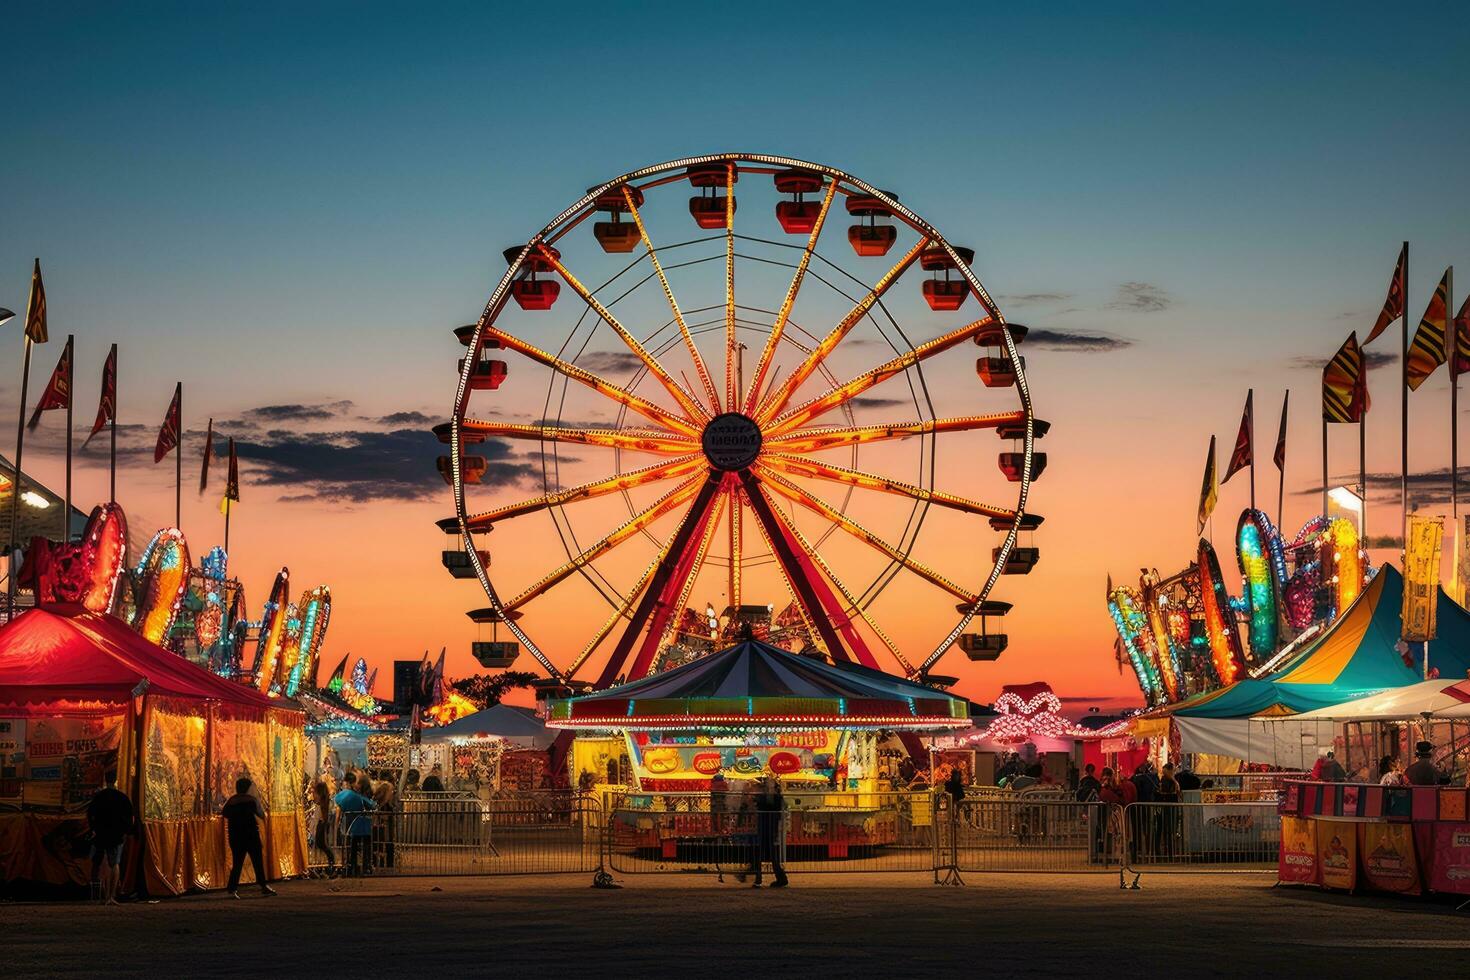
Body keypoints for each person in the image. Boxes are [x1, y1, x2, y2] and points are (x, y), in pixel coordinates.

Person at [222, 777, 277, 898]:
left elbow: (224, 813)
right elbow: (261, 814)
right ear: (247, 788)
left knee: (237, 863)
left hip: (236, 835)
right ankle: (263, 886)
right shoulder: (252, 800)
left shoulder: (231, 800)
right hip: (251, 835)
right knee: (257, 861)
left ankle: (232, 889)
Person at [86, 770, 133, 905]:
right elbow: (130, 817)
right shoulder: (122, 797)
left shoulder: (99, 797)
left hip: (100, 834)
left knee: (97, 863)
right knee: (114, 863)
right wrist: (125, 831)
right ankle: (111, 896)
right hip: (116, 835)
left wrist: (93, 829)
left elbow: (90, 814)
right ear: (116, 780)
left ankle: (97, 896)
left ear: (105, 780)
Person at [333, 777, 377, 876]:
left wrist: (337, 825)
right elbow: (372, 805)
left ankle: (352, 866)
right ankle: (365, 867)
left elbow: (338, 811)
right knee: (365, 847)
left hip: (350, 827)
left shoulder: (342, 795)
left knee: (352, 848)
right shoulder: (360, 797)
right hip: (363, 826)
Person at [751, 774, 788, 888]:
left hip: (766, 825)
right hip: (771, 825)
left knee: (764, 852)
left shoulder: (767, 796)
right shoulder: (775, 796)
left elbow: (762, 805)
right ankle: (777, 877)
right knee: (770, 853)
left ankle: (759, 878)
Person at [310, 780, 336, 872]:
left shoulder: (324, 803)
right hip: (321, 823)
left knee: (321, 844)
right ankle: (328, 861)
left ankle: (330, 861)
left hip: (321, 824)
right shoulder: (323, 803)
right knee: (320, 844)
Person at [372, 779, 396, 869]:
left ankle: (387, 866)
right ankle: (380, 866)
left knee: (386, 847)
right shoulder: (382, 805)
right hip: (381, 830)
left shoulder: (387, 805)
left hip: (385, 830)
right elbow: (384, 817)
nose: (392, 793)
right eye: (391, 791)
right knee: (379, 848)